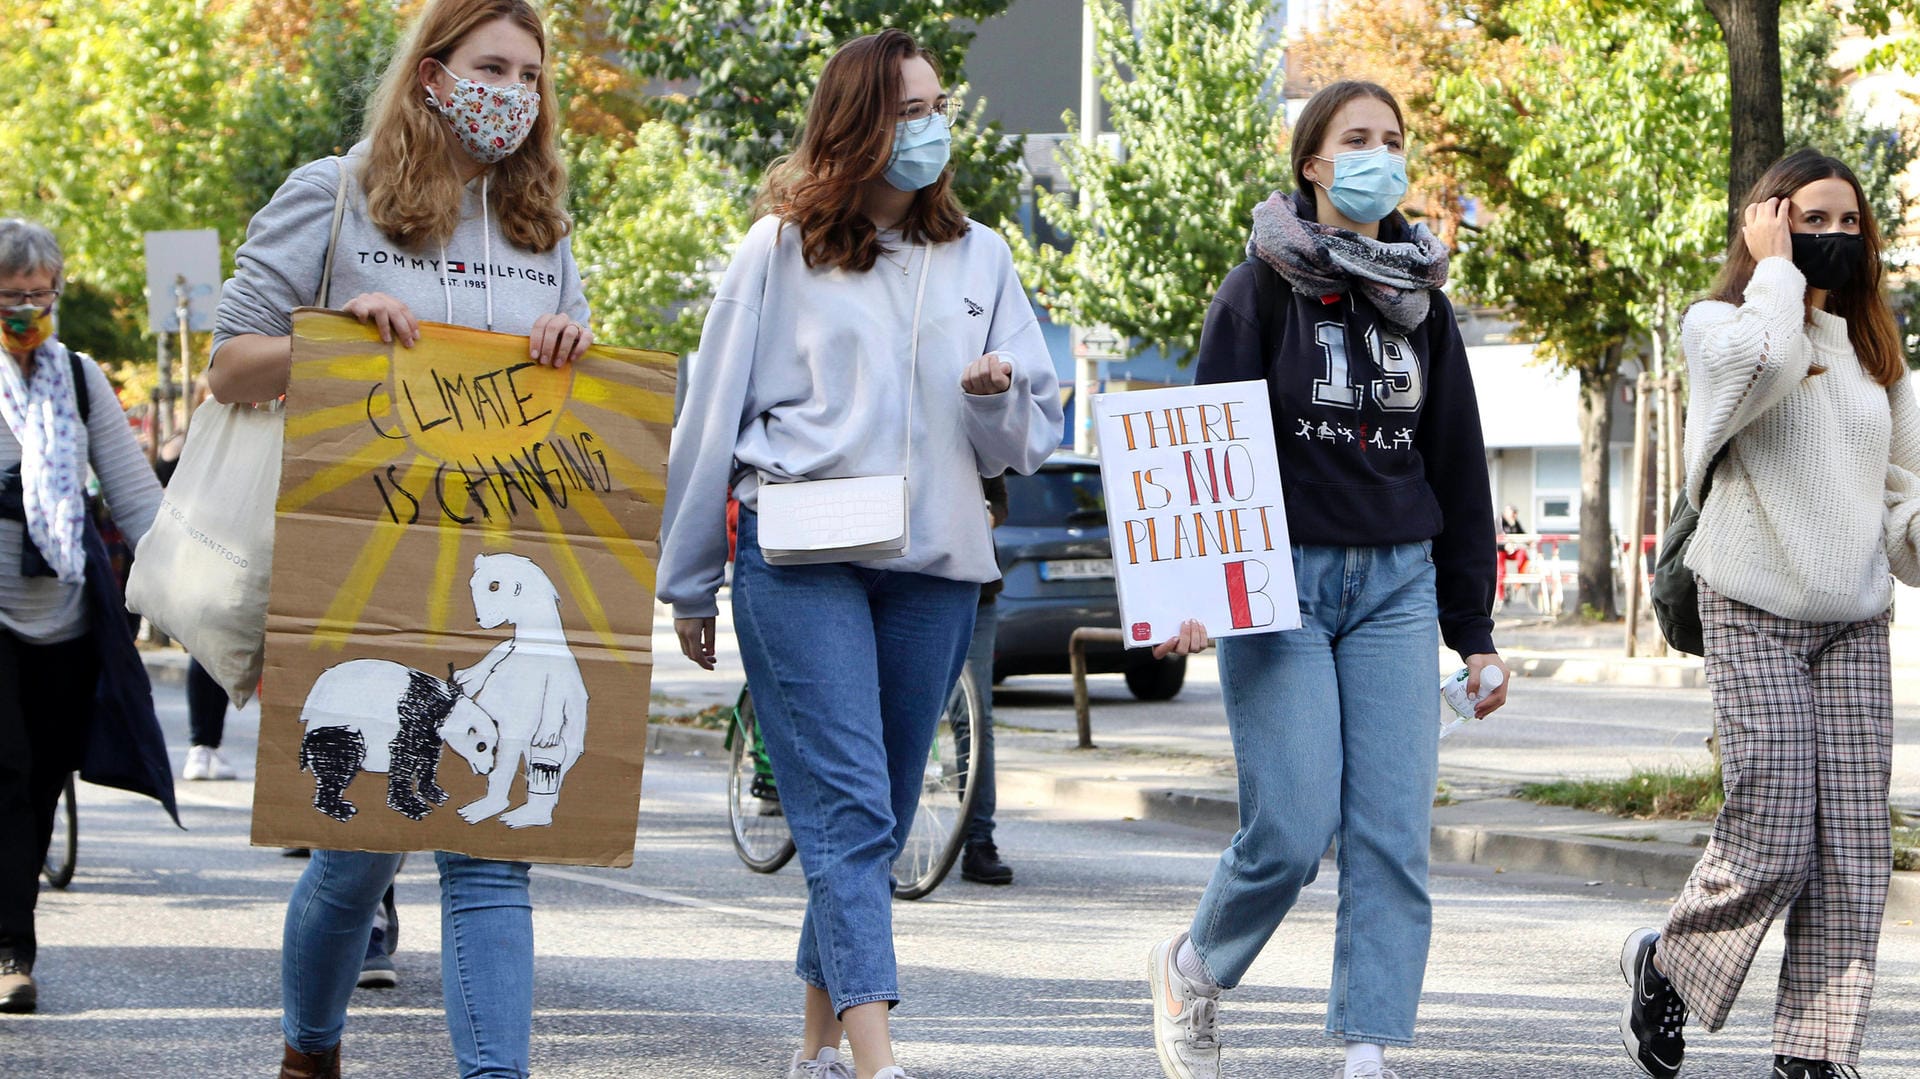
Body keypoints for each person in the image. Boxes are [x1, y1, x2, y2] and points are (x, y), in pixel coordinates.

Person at [658, 29, 1061, 1079]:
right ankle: (880, 1058)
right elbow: (711, 417)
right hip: (802, 563)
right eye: (909, 111)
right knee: (842, 808)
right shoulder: (776, 251)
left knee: (872, 816)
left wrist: (999, 395)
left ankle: (815, 1047)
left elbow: (1031, 434)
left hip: (933, 568)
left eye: (939, 108)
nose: (932, 129)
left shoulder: (982, 257)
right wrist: (689, 576)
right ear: (855, 125)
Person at [207, 2, 590, 1076]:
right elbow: (230, 366)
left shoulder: (544, 232)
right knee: (359, 848)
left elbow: (566, 408)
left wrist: (572, 349)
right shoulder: (334, 194)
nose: (515, 90)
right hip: (360, 563)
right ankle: (310, 1048)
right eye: (492, 66)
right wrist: (333, 338)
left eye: (532, 72)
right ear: (432, 75)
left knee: (490, 855)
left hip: (497, 561)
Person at [1143, 81, 1507, 1079]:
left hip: (1396, 580)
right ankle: (1192, 966)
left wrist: (1471, 629)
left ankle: (1369, 1045)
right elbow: (1206, 449)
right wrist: (1190, 593)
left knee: (1392, 831)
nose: (1378, 156)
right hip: (1280, 583)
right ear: (1313, 164)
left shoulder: (1424, 303)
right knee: (1294, 826)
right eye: (1356, 139)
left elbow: (1457, 460)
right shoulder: (1257, 288)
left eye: (1392, 141)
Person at [1618, 150, 1920, 1079]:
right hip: (1751, 601)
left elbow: (1902, 511)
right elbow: (1755, 371)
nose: (1832, 235)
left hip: (1854, 619)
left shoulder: (1885, 363)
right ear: (1766, 224)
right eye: (1808, 219)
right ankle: (1668, 962)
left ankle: (1814, 1054)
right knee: (1777, 829)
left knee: (1855, 848)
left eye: (1846, 223)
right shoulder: (1721, 324)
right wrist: (1777, 274)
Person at [0, 218, 166, 1013]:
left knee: (41, 778)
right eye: (10, 298)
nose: (28, 310)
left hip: (65, 614)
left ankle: (10, 924)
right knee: (4, 771)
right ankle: (10, 952)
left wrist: (184, 578)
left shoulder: (78, 377)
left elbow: (134, 495)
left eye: (40, 294)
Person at [958, 473, 1011, 885]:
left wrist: (986, 514)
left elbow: (999, 500)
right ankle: (871, 839)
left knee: (974, 720)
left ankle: (978, 841)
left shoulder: (973, 408)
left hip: (975, 591)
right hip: (904, 584)